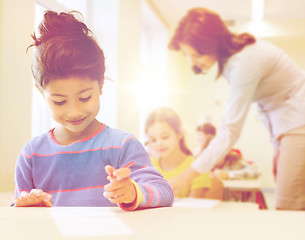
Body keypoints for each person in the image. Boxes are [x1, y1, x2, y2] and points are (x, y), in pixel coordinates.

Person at [12, 10, 174, 210]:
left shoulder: (122, 145)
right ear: (41, 92)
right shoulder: (32, 155)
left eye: (85, 97)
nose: (74, 112)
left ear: (101, 85)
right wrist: (29, 207)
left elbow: (164, 191)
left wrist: (134, 192)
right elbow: (18, 212)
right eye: (59, 101)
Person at [168, 7, 305, 210]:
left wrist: (187, 175)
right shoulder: (232, 61)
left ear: (212, 44)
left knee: (287, 206)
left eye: (196, 55)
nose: (192, 62)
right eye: (188, 56)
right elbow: (270, 105)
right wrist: (278, 146)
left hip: (298, 120)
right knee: (291, 199)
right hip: (287, 124)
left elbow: (229, 131)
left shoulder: (244, 62)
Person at [145, 107, 223, 200]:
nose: (159, 143)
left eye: (165, 137)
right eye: (153, 140)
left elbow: (192, 210)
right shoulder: (148, 167)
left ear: (180, 133)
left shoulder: (197, 168)